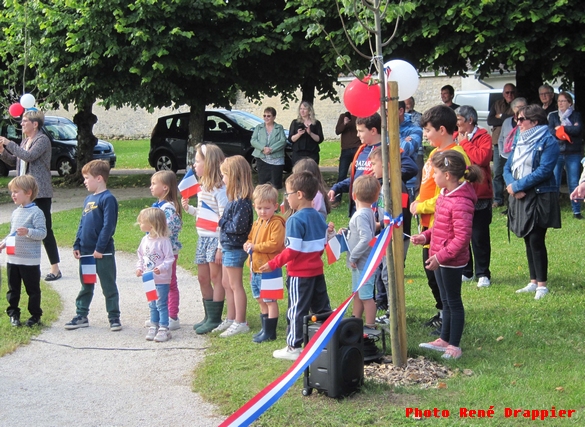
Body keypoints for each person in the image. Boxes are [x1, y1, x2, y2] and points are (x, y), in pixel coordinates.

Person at [413, 151, 482, 360]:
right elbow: (440, 226)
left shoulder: (461, 201)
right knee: (445, 300)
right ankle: (444, 339)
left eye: (435, 173)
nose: (433, 177)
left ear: (448, 175)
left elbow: (461, 239)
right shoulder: (444, 194)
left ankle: (454, 345)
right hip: (440, 256)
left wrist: (440, 257)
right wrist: (425, 237)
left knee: (453, 301)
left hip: (450, 260)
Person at [410, 105, 470, 335]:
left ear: (442, 129)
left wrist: (422, 205)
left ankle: (448, 319)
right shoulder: (435, 153)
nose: (425, 135)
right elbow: (428, 183)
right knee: (431, 274)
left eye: (427, 130)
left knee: (439, 274)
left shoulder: (457, 155)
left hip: (443, 226)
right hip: (430, 226)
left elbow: (449, 195)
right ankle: (443, 312)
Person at [260, 171, 330, 361]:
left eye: (288, 194)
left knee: (296, 309)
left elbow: (292, 251)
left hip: (299, 275)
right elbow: (322, 246)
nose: (286, 198)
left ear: (299, 195)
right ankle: (326, 340)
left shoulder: (295, 220)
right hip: (317, 271)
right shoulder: (319, 217)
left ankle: (293, 346)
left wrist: (273, 264)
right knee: (322, 308)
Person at [504, 105, 561, 300]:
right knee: (528, 238)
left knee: (537, 238)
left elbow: (545, 170)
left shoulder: (549, 141)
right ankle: (533, 281)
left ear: (534, 122)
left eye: (521, 120)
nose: (517, 123)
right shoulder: (520, 140)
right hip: (521, 194)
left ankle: (542, 286)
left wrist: (519, 186)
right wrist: (512, 185)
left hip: (540, 195)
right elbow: (507, 167)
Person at [0, 110, 61, 281]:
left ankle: (55, 268)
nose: (21, 124)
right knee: (19, 226)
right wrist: (3, 152)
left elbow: (29, 156)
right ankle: (18, 261)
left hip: (40, 192)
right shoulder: (25, 140)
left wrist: (9, 143)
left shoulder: (42, 140)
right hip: (25, 191)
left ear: (35, 124)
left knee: (45, 229)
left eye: (25, 121)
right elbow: (16, 161)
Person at [65, 160, 121, 331]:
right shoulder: (88, 199)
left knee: (108, 285)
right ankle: (81, 314)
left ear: (99, 178)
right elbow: (82, 223)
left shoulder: (108, 199)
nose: (84, 181)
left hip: (102, 253)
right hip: (87, 253)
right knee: (87, 284)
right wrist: (77, 244)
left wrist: (100, 248)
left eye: (87, 178)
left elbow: (108, 226)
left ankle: (114, 317)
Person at [327, 113, 418, 217]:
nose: (357, 135)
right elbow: (357, 178)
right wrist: (337, 187)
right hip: (357, 208)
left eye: (361, 131)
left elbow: (411, 168)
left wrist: (384, 178)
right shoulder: (361, 150)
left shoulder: (388, 150)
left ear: (373, 131)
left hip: (378, 208)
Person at [182, 144, 229, 334]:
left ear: (209, 164)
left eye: (198, 161)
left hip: (215, 239)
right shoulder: (202, 188)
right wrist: (190, 210)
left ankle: (215, 318)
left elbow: (223, 219)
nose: (194, 165)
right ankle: (208, 315)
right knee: (203, 277)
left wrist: (220, 247)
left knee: (216, 277)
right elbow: (205, 214)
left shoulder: (220, 190)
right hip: (202, 237)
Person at [369, 146, 412, 315]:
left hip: (395, 238)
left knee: (391, 275)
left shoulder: (396, 186)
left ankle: (394, 313)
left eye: (374, 164)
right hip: (385, 237)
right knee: (384, 274)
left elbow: (399, 216)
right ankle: (390, 309)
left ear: (387, 165)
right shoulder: (383, 184)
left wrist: (379, 225)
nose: (371, 167)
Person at [0, 175, 46, 327]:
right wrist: (4, 243)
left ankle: (35, 315)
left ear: (28, 192)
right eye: (11, 192)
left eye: (16, 192)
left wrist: (28, 231)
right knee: (13, 289)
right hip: (13, 258)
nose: (13, 195)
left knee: (32, 289)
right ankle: (13, 314)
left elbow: (42, 233)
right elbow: (12, 233)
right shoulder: (15, 212)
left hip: (29, 260)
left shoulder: (37, 212)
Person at [215, 155, 254, 337]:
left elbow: (237, 228)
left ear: (234, 176)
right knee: (226, 283)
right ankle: (231, 318)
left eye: (225, 175)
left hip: (235, 247)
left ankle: (240, 321)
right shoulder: (235, 199)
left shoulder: (242, 202)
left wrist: (222, 221)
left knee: (235, 284)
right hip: (228, 246)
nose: (223, 179)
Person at [455, 106, 493, 288]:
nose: (457, 124)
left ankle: (483, 273)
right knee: (462, 234)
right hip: (461, 193)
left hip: (480, 193)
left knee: (479, 235)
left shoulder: (484, 136)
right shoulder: (456, 137)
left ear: (470, 120)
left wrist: (465, 144)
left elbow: (482, 158)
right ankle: (466, 271)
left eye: (459, 120)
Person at [243, 184, 286, 343]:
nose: (263, 211)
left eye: (267, 208)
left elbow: (275, 243)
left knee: (270, 300)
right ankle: (264, 328)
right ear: (254, 206)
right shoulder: (257, 222)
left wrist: (256, 247)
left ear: (275, 206)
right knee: (260, 298)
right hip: (256, 268)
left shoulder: (276, 223)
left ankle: (270, 331)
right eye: (259, 208)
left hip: (270, 268)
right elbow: (250, 238)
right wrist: (247, 244)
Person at [342, 174, 380, 330]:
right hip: (360, 264)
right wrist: (347, 232)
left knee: (366, 297)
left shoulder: (359, 215)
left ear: (354, 195)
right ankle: (355, 320)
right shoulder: (369, 212)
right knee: (357, 294)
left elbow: (366, 238)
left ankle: (370, 325)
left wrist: (354, 256)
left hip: (362, 263)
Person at [149, 171, 183, 330]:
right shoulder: (157, 206)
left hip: (166, 253)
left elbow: (169, 228)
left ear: (165, 187)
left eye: (154, 183)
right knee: (152, 282)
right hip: (153, 253)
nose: (151, 187)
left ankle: (172, 316)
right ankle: (155, 315)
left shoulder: (168, 208)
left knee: (169, 283)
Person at [136, 208, 175, 342]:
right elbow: (141, 256)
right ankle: (154, 324)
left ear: (151, 224)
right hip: (148, 278)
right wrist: (139, 268)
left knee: (161, 303)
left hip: (161, 279)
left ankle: (164, 327)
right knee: (152, 303)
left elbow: (169, 258)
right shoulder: (144, 240)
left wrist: (161, 268)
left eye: (142, 222)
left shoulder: (163, 241)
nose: (140, 224)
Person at [548, 92, 583, 219]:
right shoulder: (553, 116)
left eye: (563, 101)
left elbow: (577, 130)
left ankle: (576, 211)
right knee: (554, 181)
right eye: (559, 101)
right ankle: (553, 210)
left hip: (573, 152)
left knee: (573, 182)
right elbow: (551, 132)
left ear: (569, 103)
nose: (561, 103)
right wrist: (567, 129)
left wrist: (561, 129)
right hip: (557, 152)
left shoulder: (576, 115)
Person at [487, 84, 516, 208]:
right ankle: (498, 199)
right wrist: (505, 118)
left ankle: (512, 196)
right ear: (503, 93)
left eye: (511, 92)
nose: (509, 95)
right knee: (498, 171)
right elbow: (490, 120)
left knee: (512, 171)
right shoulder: (497, 104)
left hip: (513, 143)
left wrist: (501, 117)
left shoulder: (518, 104)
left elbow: (515, 119)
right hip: (498, 142)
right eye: (507, 92)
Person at [496, 97, 528, 211]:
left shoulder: (527, 122)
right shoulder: (506, 122)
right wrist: (501, 152)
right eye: (518, 107)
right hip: (506, 155)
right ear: (513, 108)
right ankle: (509, 205)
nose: (520, 109)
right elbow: (500, 139)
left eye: (523, 107)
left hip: (520, 156)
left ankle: (515, 205)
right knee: (506, 180)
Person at [250, 107, 287, 189]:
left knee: (275, 185)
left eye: (269, 116)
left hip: (276, 159)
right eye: (264, 116)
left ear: (274, 117)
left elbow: (283, 141)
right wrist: (263, 148)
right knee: (263, 184)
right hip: (262, 158)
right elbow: (253, 140)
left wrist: (271, 149)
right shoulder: (259, 127)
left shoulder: (279, 127)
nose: (266, 118)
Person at [333, 111, 361, 206]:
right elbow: (337, 131)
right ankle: (337, 198)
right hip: (345, 149)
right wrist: (344, 123)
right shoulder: (343, 116)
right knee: (342, 174)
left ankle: (358, 197)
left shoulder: (360, 116)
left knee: (358, 173)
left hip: (357, 148)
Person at [399, 100, 423, 200]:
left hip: (406, 183)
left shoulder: (415, 129)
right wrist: (402, 140)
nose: (385, 114)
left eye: (387, 110)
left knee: (403, 213)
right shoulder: (383, 129)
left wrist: (394, 136)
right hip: (384, 181)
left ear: (400, 111)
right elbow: (378, 150)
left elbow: (404, 150)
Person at [288, 101, 324, 166]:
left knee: (311, 174)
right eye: (301, 109)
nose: (302, 111)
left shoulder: (316, 123)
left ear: (309, 110)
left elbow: (320, 139)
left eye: (304, 109)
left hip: (312, 154)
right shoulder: (295, 123)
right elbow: (291, 139)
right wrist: (298, 134)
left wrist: (310, 133)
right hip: (298, 154)